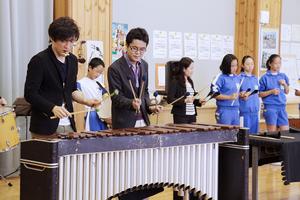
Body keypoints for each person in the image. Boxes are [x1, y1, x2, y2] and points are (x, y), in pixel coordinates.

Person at [24, 17, 100, 137]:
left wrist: (87, 101)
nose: (68, 46)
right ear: (52, 39)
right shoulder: (39, 60)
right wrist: (52, 108)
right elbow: (30, 94)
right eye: (63, 41)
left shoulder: (73, 60)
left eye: (71, 41)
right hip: (45, 126)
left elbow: (72, 90)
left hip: (69, 123)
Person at [108, 27, 162, 129]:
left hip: (144, 121)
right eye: (134, 48)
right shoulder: (114, 68)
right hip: (125, 123)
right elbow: (115, 97)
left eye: (142, 49)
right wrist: (131, 103)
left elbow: (144, 92)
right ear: (127, 46)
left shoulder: (144, 65)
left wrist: (150, 107)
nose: (138, 52)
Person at [167, 57, 205, 124]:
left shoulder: (190, 81)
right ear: (184, 69)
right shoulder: (175, 81)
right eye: (191, 68)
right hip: (181, 116)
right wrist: (184, 100)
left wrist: (199, 101)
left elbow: (191, 99)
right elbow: (170, 99)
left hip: (192, 114)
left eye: (193, 68)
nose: (192, 70)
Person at [259, 54, 289, 132]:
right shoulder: (264, 78)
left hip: (282, 107)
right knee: (272, 133)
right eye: (276, 63)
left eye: (279, 63)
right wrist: (271, 91)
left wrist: (285, 84)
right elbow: (260, 94)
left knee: (285, 132)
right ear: (270, 64)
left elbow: (287, 91)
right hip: (270, 108)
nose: (278, 65)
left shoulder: (283, 76)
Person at [77, 57, 108, 131]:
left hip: (102, 114)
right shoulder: (80, 83)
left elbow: (106, 97)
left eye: (100, 73)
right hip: (91, 114)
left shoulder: (99, 84)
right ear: (90, 68)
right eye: (97, 71)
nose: (98, 75)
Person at [211, 54, 241, 125]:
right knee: (224, 135)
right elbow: (213, 94)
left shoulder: (237, 77)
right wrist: (229, 97)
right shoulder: (220, 77)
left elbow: (235, 93)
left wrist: (241, 94)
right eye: (232, 66)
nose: (235, 68)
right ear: (226, 65)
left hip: (236, 110)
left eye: (236, 65)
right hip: (224, 110)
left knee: (235, 135)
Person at [239, 56, 260, 134]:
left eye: (252, 64)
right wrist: (241, 95)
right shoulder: (239, 78)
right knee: (246, 136)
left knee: (254, 136)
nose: (250, 66)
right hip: (245, 112)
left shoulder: (255, 78)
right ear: (242, 65)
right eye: (247, 64)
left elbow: (258, 93)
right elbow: (235, 94)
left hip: (255, 112)